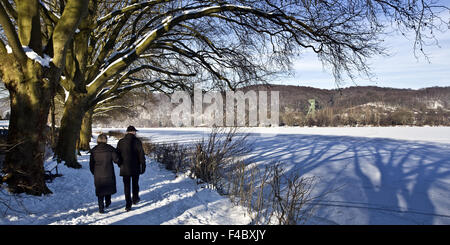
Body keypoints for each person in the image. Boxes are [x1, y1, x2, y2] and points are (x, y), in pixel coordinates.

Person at [116, 126, 146, 211]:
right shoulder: (137, 141)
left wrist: (120, 163)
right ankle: (135, 199)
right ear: (133, 132)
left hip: (125, 168)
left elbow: (117, 154)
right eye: (135, 131)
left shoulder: (121, 142)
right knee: (135, 184)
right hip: (135, 167)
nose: (136, 133)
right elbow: (141, 154)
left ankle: (128, 204)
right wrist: (143, 165)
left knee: (127, 186)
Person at [89, 134, 120, 213]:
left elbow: (91, 164)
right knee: (108, 187)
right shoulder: (110, 149)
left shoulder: (94, 150)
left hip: (98, 173)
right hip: (108, 171)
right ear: (106, 140)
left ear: (98, 140)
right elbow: (116, 160)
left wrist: (94, 172)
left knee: (100, 190)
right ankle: (108, 201)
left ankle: (101, 207)